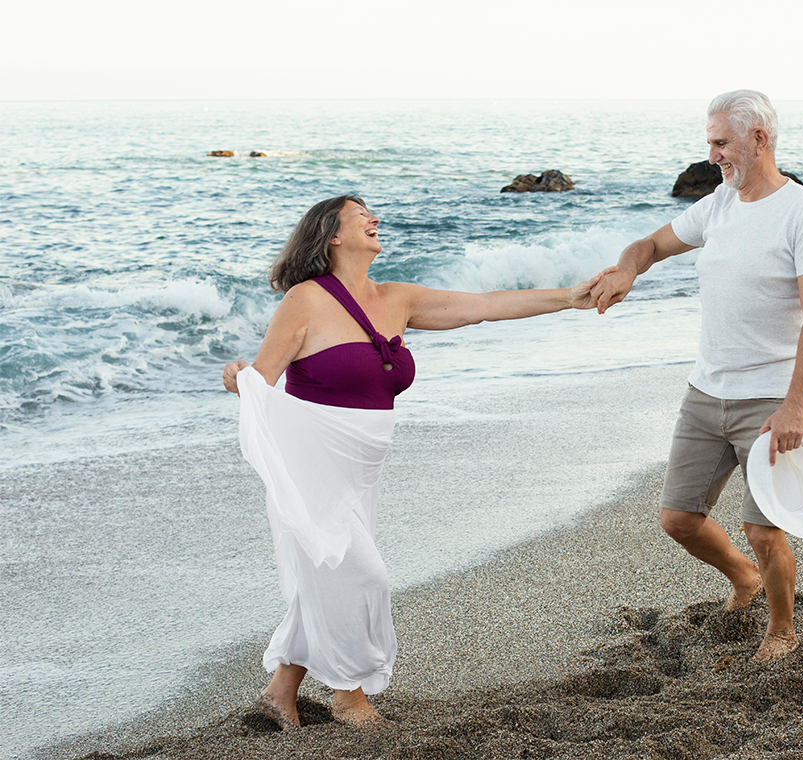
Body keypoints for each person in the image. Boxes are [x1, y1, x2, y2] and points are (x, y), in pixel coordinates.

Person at [222, 195, 600, 729]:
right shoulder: (304, 300)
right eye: (360, 214)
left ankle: (279, 693)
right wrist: (237, 378)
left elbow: (485, 304)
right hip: (314, 461)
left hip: (362, 468)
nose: (373, 219)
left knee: (330, 573)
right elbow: (261, 381)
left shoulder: (396, 298)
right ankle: (348, 697)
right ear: (331, 234)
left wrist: (568, 297)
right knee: (361, 575)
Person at [590, 90, 803, 664]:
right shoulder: (719, 204)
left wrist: (795, 407)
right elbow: (651, 244)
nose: (712, 156)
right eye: (709, 143)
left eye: (721, 142)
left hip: (768, 401)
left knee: (764, 530)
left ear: (760, 139)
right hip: (705, 394)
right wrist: (627, 270)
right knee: (679, 519)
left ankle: (781, 630)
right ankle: (744, 578)